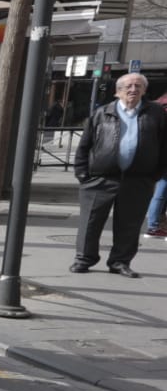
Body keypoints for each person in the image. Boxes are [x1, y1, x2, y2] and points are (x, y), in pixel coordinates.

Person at [71, 73, 166, 278]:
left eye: (138, 86)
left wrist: (155, 175)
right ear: (118, 91)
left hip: (138, 179)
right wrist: (82, 174)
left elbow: (164, 146)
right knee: (90, 222)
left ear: (144, 90)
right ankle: (84, 259)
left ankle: (120, 262)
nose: (133, 90)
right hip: (99, 178)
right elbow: (84, 146)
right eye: (128, 86)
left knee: (130, 224)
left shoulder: (156, 113)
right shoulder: (102, 113)